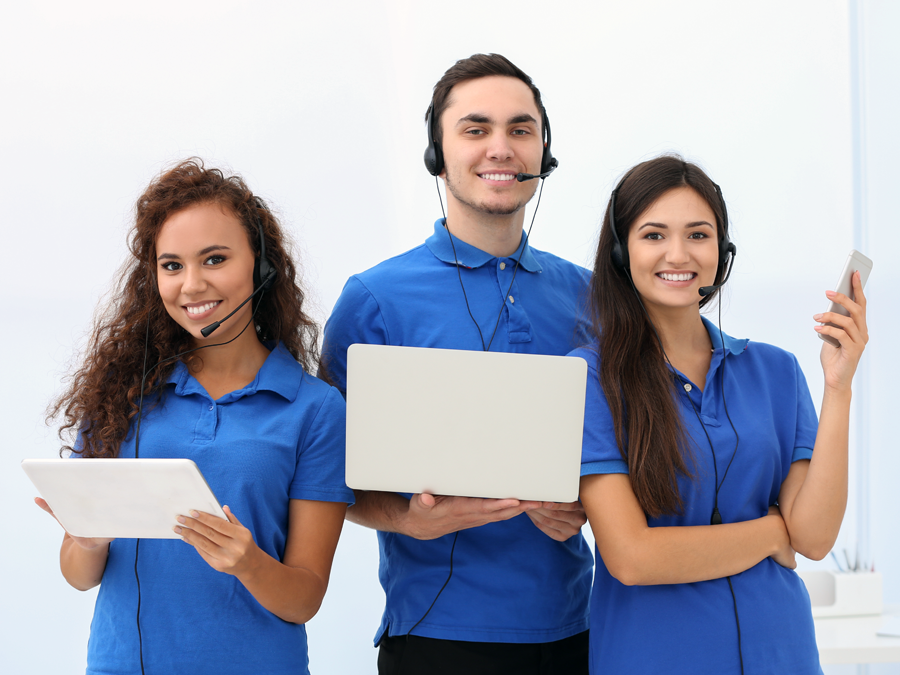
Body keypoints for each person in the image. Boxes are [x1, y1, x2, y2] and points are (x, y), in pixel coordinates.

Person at [321, 54, 593, 674]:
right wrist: (408, 521)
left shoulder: (593, 296)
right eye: (476, 130)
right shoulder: (373, 300)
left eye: (520, 130)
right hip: (434, 637)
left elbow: (632, 446)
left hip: (575, 629)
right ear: (437, 156)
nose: (501, 147)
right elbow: (324, 476)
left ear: (542, 154)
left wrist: (590, 506)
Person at [38, 159, 354, 675]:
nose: (191, 285)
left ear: (262, 264)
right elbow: (78, 575)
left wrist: (248, 564)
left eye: (214, 259)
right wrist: (88, 539)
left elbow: (304, 600)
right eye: (171, 265)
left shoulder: (315, 411)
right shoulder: (121, 393)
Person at [573, 155, 868, 674]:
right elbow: (633, 557)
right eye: (654, 235)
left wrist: (837, 387)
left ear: (722, 250)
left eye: (698, 234)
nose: (678, 254)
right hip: (655, 659)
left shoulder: (775, 370)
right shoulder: (591, 378)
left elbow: (816, 538)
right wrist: (773, 534)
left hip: (782, 654)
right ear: (621, 252)